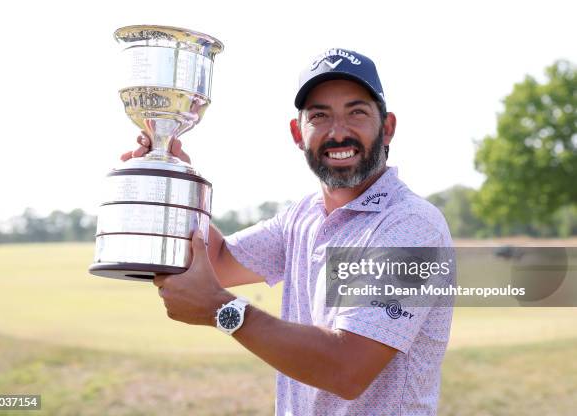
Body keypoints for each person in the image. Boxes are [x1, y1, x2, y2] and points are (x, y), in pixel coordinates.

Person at [122, 48, 453, 415]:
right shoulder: (302, 217)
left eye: (356, 112)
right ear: (298, 132)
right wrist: (175, 183)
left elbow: (348, 369)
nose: (338, 132)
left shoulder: (411, 225)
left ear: (387, 127)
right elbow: (215, 261)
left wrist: (221, 309)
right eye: (320, 116)